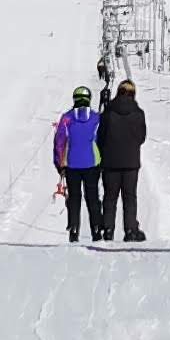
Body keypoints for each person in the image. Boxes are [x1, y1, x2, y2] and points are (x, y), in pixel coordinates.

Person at [96, 78, 149, 241]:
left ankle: (108, 229)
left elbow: (100, 137)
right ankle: (131, 230)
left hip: (110, 162)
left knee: (110, 197)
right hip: (131, 163)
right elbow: (141, 137)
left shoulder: (108, 112)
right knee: (130, 197)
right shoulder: (138, 113)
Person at [53, 87, 102, 241]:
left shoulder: (67, 118)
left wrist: (59, 163)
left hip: (72, 164)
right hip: (92, 163)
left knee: (74, 198)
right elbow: (101, 140)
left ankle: (74, 229)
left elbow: (59, 142)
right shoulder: (96, 118)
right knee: (92, 197)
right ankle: (96, 228)